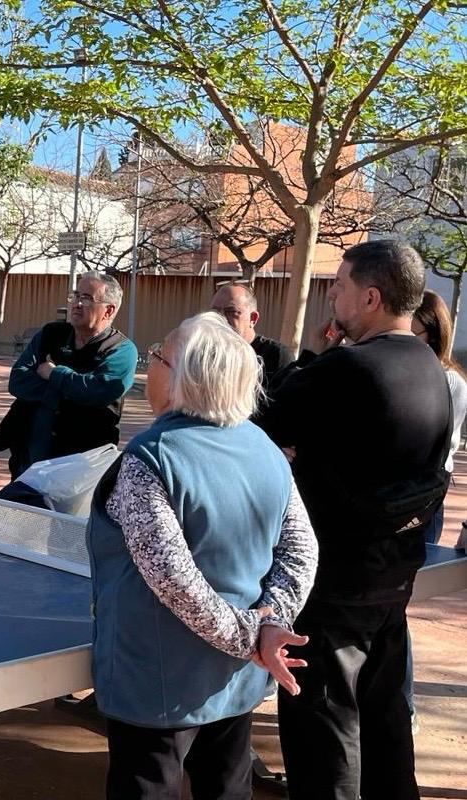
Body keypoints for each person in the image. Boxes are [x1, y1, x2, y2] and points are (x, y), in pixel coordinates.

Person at [87, 311, 317, 799]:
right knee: (228, 787)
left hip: (156, 684)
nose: (149, 365)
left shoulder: (150, 459)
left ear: (181, 379)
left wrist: (250, 637)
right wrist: (266, 627)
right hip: (236, 680)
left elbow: (171, 578)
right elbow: (301, 550)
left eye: (158, 357)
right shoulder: (267, 449)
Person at [258, 240, 451, 800]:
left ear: (370, 297)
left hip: (331, 582)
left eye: (339, 287)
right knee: (383, 720)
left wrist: (319, 357)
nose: (332, 296)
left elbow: (262, 416)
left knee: (325, 734)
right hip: (392, 578)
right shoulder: (430, 368)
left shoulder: (347, 367)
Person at [0, 272, 137, 479]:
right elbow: (18, 381)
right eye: (75, 295)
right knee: (21, 508)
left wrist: (54, 373)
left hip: (80, 464)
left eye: (86, 298)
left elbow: (97, 392)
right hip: (28, 458)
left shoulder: (121, 350)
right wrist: (70, 391)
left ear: (109, 310)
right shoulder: (51, 334)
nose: (76, 303)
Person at [411, 289, 467, 544]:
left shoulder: (450, 381)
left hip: (424, 497)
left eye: (413, 336)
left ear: (433, 337)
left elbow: (441, 449)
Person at [210, 281, 291, 391]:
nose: (221, 318)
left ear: (253, 318)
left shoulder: (275, 355)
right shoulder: (204, 354)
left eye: (231, 311)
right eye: (215, 312)